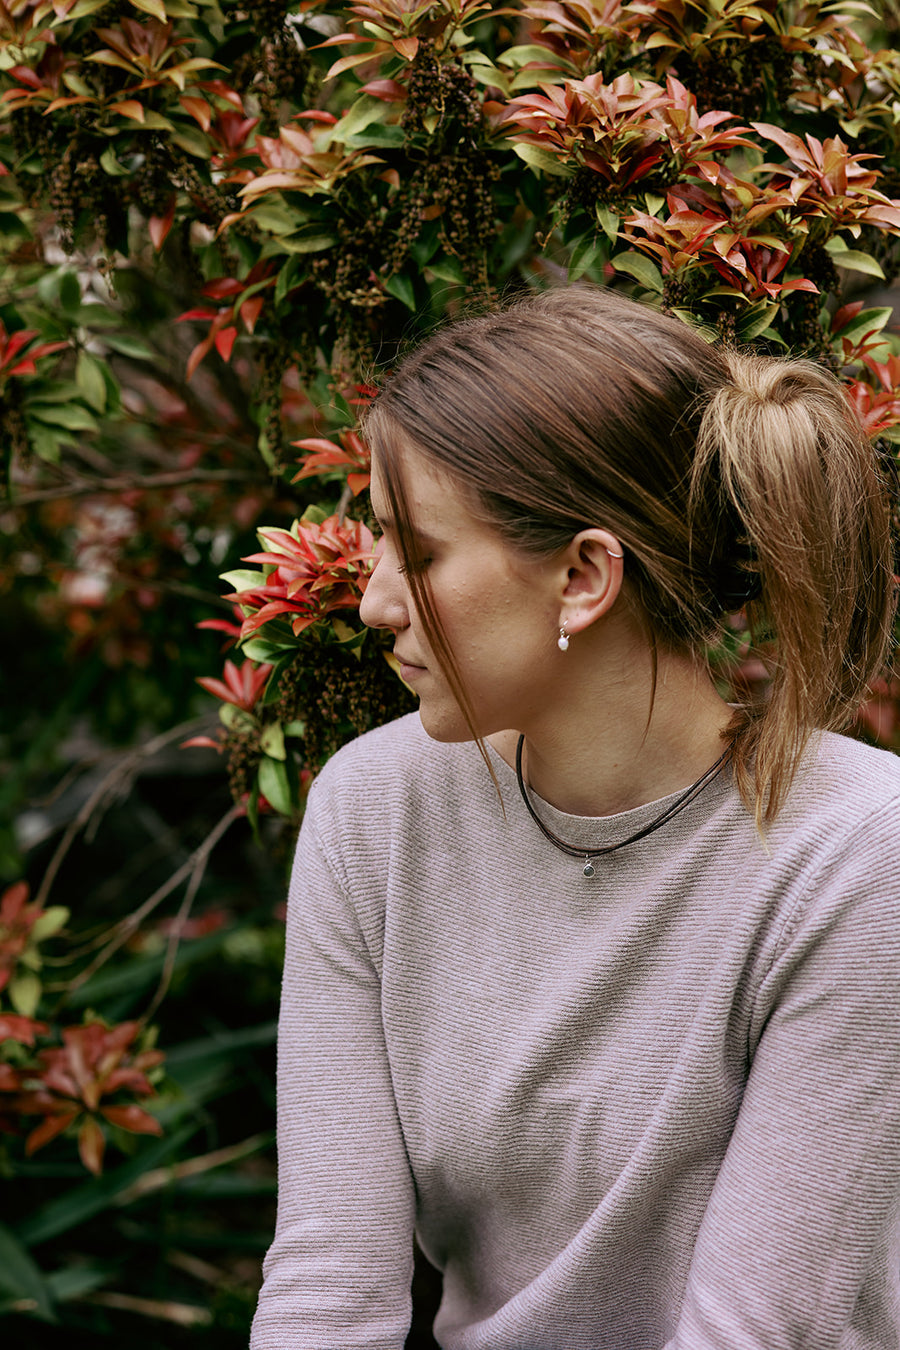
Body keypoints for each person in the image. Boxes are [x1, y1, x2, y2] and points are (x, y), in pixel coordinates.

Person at [250, 285, 900, 1350]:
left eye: (415, 553)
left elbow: (755, 1333)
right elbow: (329, 1288)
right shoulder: (376, 810)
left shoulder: (857, 857)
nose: (372, 600)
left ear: (584, 575)